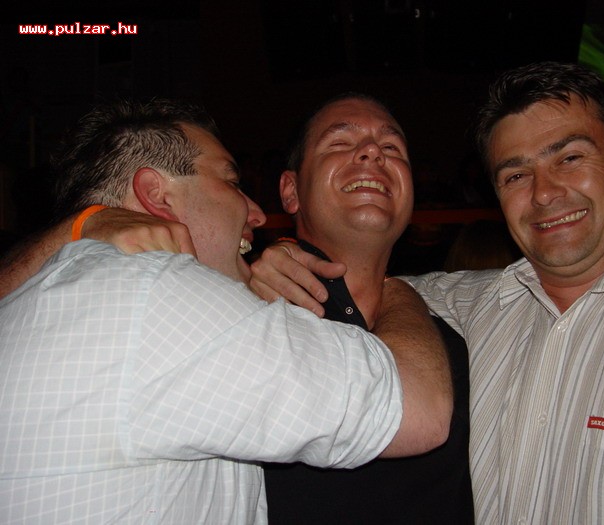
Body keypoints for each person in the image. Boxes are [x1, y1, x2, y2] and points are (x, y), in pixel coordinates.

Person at [248, 62, 604, 523]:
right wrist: (262, 268)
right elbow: (375, 283)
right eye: (516, 175)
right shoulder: (468, 305)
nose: (544, 193)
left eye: (569, 158)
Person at [0, 99, 453, 523]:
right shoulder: (165, 297)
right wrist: (399, 291)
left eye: (393, 147)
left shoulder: (76, 289)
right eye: (233, 184)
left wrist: (80, 224)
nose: (257, 214)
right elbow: (419, 410)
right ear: (157, 194)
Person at [257, 93, 473, 524]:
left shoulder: (460, 323)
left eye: (392, 147)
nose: (373, 151)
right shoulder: (250, 317)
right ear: (291, 191)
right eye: (340, 142)